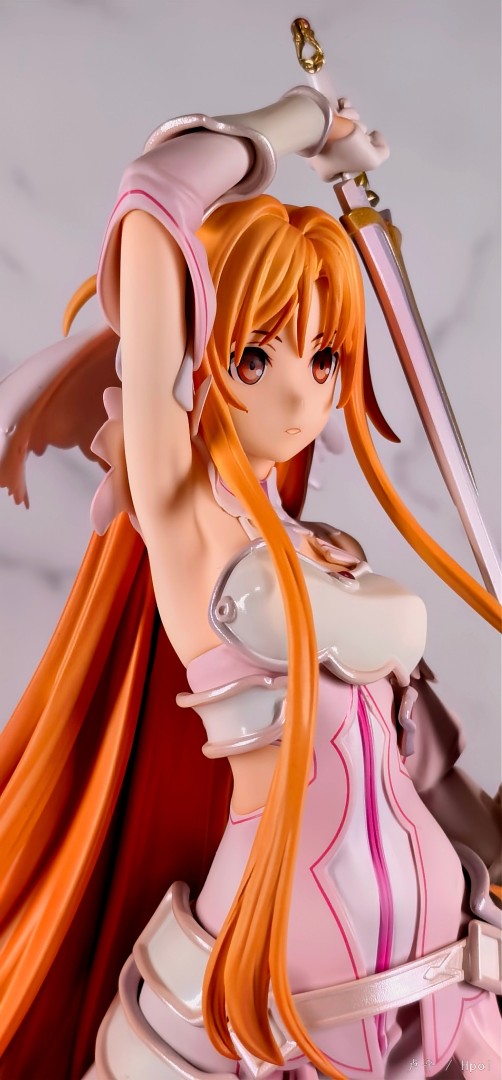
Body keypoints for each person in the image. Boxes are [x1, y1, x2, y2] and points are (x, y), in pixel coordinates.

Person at [0, 88, 500, 1080]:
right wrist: (305, 124)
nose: (301, 389)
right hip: (277, 973)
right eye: (257, 354)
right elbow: (155, 197)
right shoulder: (186, 517)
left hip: (440, 971)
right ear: (201, 355)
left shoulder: (324, 551)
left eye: (324, 355)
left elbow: (408, 755)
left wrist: (484, 828)